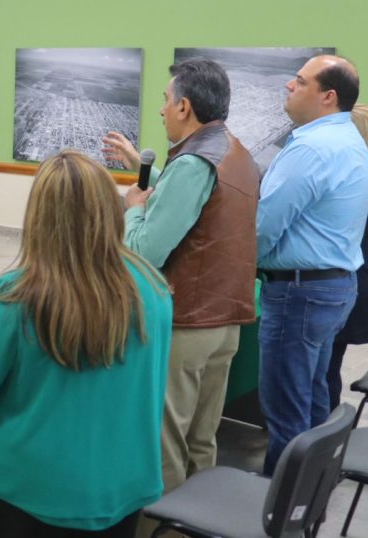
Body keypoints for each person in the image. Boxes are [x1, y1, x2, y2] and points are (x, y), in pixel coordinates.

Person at [0, 150, 172, 537]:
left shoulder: (17, 293)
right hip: (123, 484)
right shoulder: (153, 287)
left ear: (39, 215)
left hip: (31, 492)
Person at [102, 58, 258, 499]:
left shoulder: (193, 164)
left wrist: (133, 209)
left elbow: (146, 251)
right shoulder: (237, 152)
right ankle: (196, 522)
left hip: (188, 321)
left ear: (185, 107)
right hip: (226, 320)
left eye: (165, 102)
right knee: (201, 442)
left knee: (167, 445)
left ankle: (162, 527)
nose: (161, 111)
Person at [256, 55, 368, 475]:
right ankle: (311, 493)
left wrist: (236, 263)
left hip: (298, 293)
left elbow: (264, 227)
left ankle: (276, 505)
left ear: (327, 97)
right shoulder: (348, 139)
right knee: (311, 399)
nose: (289, 86)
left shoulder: (310, 147)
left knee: (285, 408)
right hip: (334, 288)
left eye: (300, 81)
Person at [326, 104, 368, 410]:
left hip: (350, 283)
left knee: (324, 372)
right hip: (362, 282)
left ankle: (318, 445)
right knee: (328, 368)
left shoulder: (358, 179)